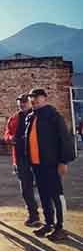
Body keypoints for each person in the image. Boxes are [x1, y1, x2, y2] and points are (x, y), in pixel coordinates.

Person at [25, 87, 75, 241]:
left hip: (51, 164)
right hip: (37, 165)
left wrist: (63, 161)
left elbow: (64, 139)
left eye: (37, 97)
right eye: (31, 97)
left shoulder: (54, 116)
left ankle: (61, 227)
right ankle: (48, 223)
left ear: (44, 98)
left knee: (56, 195)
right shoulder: (31, 117)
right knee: (44, 195)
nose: (33, 99)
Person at [4, 95, 40, 227]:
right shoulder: (13, 118)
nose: (22, 105)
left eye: (24, 102)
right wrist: (10, 138)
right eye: (20, 103)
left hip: (37, 158)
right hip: (20, 159)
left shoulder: (37, 116)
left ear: (30, 103)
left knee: (43, 188)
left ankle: (51, 218)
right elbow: (7, 134)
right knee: (26, 189)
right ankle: (33, 215)